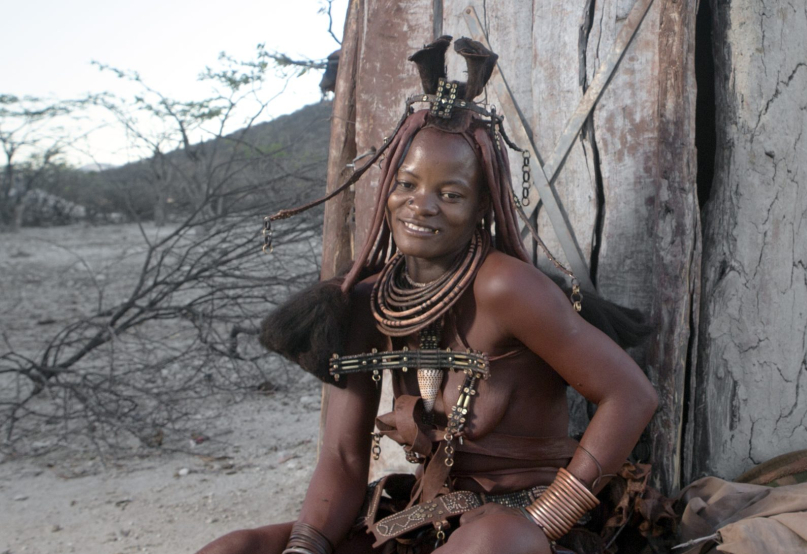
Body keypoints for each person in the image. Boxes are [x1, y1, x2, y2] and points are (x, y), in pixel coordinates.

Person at [198, 37, 658, 554]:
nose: (423, 206)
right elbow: (345, 460)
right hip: (427, 519)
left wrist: (548, 517)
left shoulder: (506, 287)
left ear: (483, 203)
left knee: (490, 541)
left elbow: (631, 396)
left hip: (525, 525)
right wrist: (304, 549)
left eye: (451, 193)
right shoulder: (366, 303)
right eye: (408, 185)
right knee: (235, 549)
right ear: (386, 189)